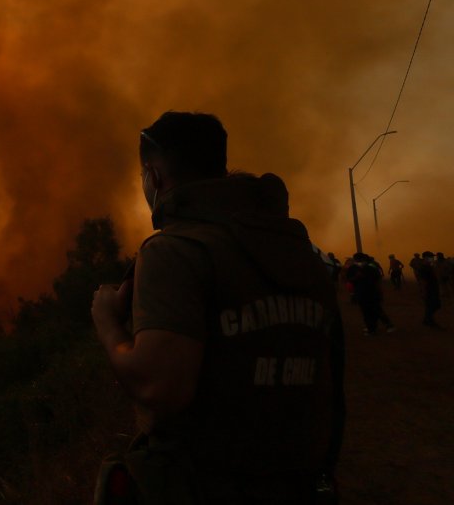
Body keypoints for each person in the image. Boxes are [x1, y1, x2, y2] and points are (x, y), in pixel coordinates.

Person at [91, 111, 343, 505]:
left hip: (204, 485)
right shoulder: (294, 250)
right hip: (295, 482)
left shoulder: (174, 251)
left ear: (154, 176)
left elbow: (159, 387)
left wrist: (107, 322)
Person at [347, 253, 394, 335]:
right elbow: (350, 280)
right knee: (366, 311)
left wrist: (379, 291)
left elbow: (377, 279)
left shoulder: (371, 267)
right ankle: (371, 328)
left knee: (376, 309)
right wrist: (356, 278)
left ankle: (388, 325)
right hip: (361, 293)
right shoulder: (352, 268)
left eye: (360, 259)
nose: (359, 261)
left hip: (372, 292)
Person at [416, 251, 442, 328]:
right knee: (433, 305)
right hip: (429, 290)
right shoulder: (423, 268)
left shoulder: (429, 267)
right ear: (426, 258)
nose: (433, 259)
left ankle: (427, 320)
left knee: (433, 305)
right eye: (431, 257)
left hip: (433, 289)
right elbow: (423, 281)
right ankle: (429, 321)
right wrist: (423, 292)